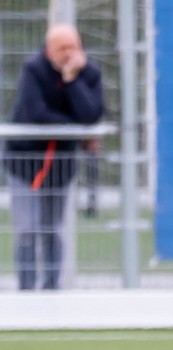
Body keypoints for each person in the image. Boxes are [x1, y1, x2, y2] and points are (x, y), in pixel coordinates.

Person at [4, 24, 104, 290]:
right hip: (23, 164)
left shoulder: (89, 73)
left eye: (73, 47)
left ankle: (51, 287)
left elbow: (92, 114)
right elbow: (36, 114)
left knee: (53, 230)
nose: (69, 54)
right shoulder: (33, 70)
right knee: (27, 228)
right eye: (63, 49)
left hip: (60, 168)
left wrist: (73, 81)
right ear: (49, 50)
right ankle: (26, 289)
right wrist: (74, 127)